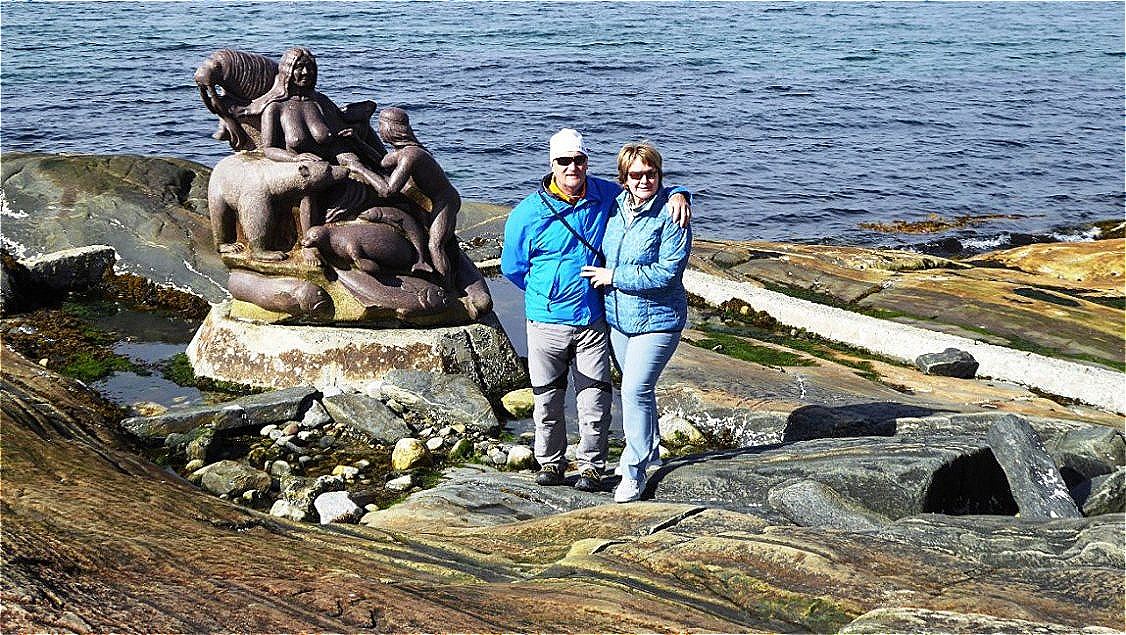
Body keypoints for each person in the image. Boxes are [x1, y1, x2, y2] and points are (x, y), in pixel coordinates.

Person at [501, 129, 689, 492]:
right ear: (551, 163)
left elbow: (647, 185)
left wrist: (682, 193)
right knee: (547, 399)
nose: (573, 167)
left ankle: (591, 466)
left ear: (587, 161)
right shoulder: (527, 212)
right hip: (545, 321)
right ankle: (551, 463)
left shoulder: (606, 195)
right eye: (564, 161)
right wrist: (546, 292)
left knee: (595, 401)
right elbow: (513, 267)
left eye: (579, 160)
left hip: (592, 320)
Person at [579, 142, 692, 503]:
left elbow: (668, 273)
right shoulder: (614, 205)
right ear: (624, 178)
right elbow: (576, 182)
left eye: (652, 174)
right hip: (619, 320)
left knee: (634, 391)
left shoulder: (672, 215)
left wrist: (614, 276)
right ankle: (652, 453)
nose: (645, 180)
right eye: (637, 174)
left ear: (660, 175)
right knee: (637, 391)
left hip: (660, 321)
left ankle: (633, 471)